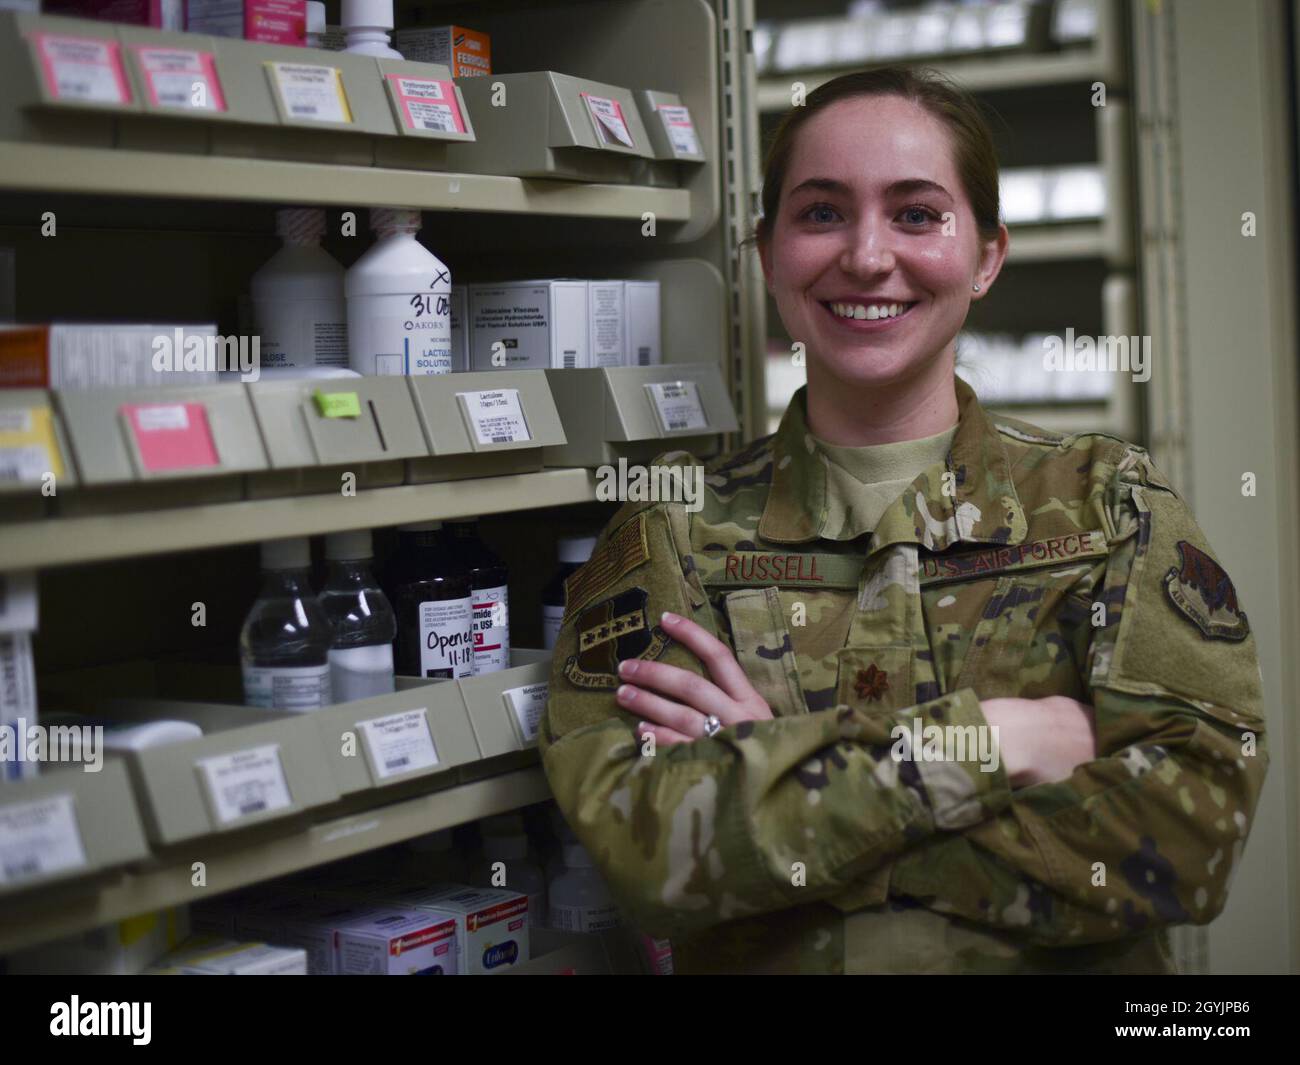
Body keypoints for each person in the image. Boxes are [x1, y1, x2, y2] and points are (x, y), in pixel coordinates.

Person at [538, 67, 1268, 974]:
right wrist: (1004, 740)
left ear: (987, 256)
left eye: (917, 214)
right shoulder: (675, 529)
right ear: (767, 254)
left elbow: (1184, 845)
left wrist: (771, 781)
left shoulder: (1107, 508)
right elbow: (649, 854)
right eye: (821, 213)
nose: (867, 256)